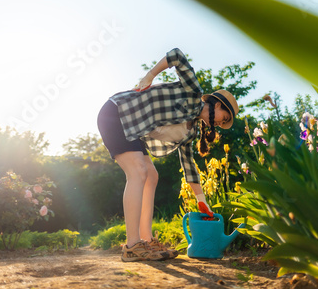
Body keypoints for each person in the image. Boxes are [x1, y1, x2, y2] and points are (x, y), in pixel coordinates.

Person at [97, 48, 239, 262]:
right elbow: (177, 56)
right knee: (138, 171)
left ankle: (146, 239)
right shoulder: (193, 91)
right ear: (217, 104)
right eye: (223, 117)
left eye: (223, 123)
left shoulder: (191, 131)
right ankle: (132, 245)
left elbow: (188, 165)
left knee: (151, 176)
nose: (219, 123)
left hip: (133, 128)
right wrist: (150, 75)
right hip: (117, 113)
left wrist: (201, 199)